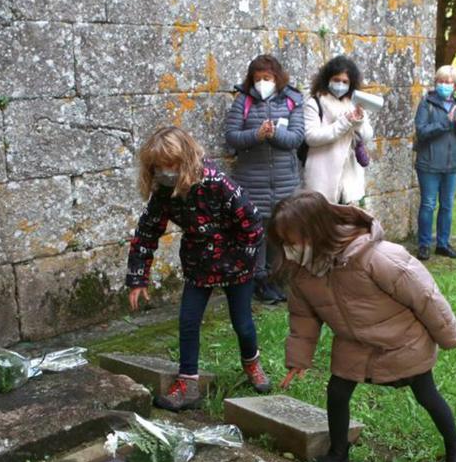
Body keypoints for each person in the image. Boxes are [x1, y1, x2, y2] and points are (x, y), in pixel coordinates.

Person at [270, 191, 456, 462]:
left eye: (293, 240)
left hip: (401, 341)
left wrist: (449, 336)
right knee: (337, 391)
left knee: (426, 393)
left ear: (316, 230)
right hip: (353, 342)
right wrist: (299, 357)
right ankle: (338, 458)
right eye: (283, 241)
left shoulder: (378, 256)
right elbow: (303, 317)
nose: (289, 249)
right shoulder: (304, 272)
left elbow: (425, 296)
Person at [126, 126, 271, 411]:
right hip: (199, 264)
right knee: (189, 321)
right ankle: (187, 382)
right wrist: (137, 278)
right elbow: (147, 231)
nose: (166, 171)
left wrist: (242, 261)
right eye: (159, 166)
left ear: (187, 159)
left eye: (172, 164)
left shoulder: (219, 185)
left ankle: (252, 362)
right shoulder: (165, 192)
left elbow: (252, 224)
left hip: (236, 265)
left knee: (242, 323)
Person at [224, 54, 305, 304]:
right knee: (256, 231)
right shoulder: (243, 102)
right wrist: (257, 135)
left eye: (267, 78)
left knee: (279, 231)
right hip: (251, 181)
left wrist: (274, 134)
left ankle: (275, 277)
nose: (262, 82)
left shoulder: (293, 101)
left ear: (277, 78)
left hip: (284, 181)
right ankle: (258, 280)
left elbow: (296, 138)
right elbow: (232, 137)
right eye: (257, 78)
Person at [413, 64, 456, 261]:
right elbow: (422, 132)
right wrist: (446, 123)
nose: (444, 85)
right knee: (429, 204)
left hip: (451, 165)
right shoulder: (426, 104)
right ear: (436, 82)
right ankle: (423, 245)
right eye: (441, 81)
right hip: (429, 164)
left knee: (447, 205)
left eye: (448, 82)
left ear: (455, 85)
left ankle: (443, 244)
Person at [303, 55, 374, 205]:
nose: (340, 84)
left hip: (350, 181)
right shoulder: (314, 103)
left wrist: (359, 122)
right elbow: (312, 137)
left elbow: (367, 136)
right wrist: (345, 122)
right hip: (323, 178)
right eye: (336, 80)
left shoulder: (355, 104)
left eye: (345, 82)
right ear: (328, 79)